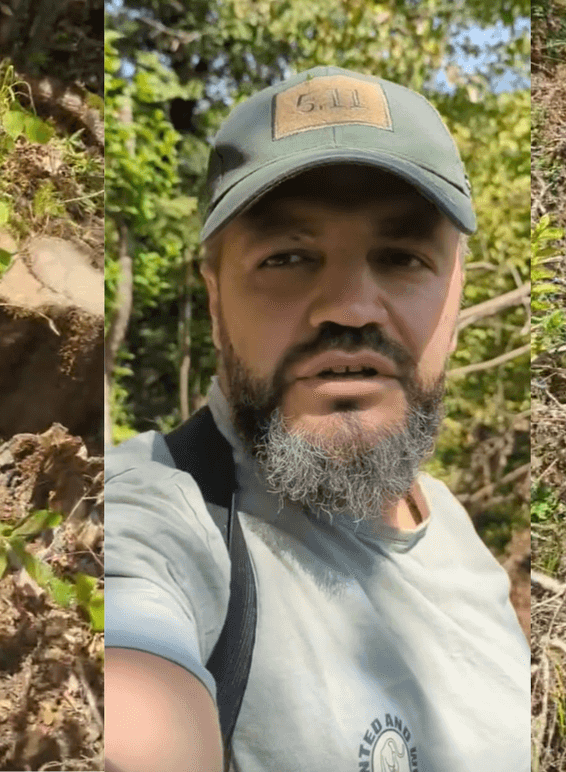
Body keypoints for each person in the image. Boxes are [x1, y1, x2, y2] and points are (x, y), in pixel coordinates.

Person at [105, 66, 530, 772]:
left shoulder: (454, 529)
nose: (349, 306)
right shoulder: (152, 514)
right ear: (214, 301)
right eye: (288, 257)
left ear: (455, 295)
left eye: (401, 257)